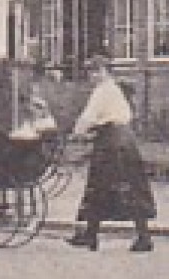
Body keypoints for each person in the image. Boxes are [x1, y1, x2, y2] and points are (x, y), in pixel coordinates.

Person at [66, 55, 156, 252]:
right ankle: (94, 234)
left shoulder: (102, 91)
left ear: (104, 72)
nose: (92, 76)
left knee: (102, 187)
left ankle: (140, 237)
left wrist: (76, 133)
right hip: (124, 141)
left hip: (111, 144)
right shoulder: (113, 90)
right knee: (123, 188)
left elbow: (88, 117)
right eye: (90, 72)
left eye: (95, 71)